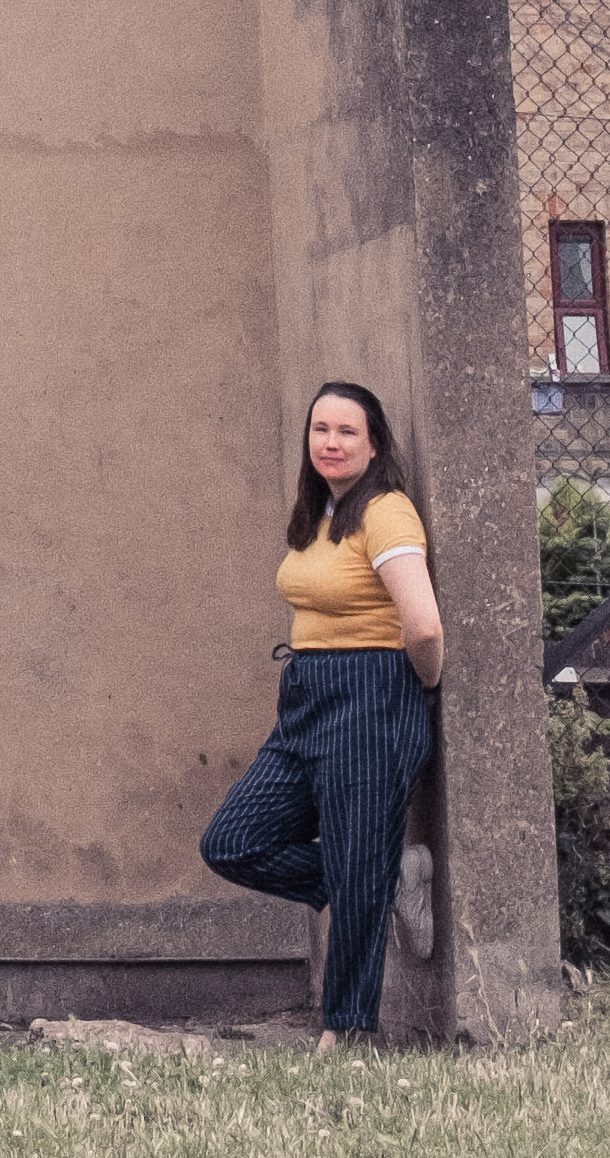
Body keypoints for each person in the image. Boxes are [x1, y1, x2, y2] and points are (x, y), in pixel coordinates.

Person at [198, 378, 443, 1043]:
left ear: (374, 445)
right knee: (232, 841)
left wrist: (417, 687)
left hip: (370, 695)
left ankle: (345, 1031)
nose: (330, 442)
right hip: (307, 698)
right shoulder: (321, 514)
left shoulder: (386, 512)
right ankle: (387, 874)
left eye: (346, 431)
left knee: (357, 869)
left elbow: (422, 625)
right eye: (320, 429)